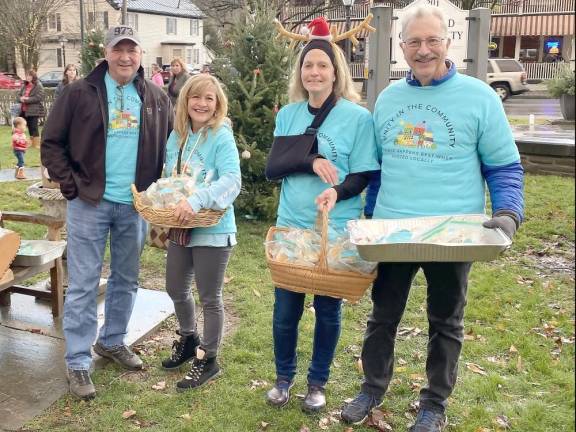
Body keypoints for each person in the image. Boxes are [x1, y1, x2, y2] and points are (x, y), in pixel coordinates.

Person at [341, 6, 524, 431]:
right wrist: (368, 221)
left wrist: (509, 212)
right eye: (414, 42)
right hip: (392, 232)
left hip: (453, 234)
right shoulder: (387, 99)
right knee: (382, 317)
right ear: (401, 46)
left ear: (447, 43)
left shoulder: (479, 97)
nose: (423, 50)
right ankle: (372, 387)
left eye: (432, 40)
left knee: (446, 321)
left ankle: (434, 404)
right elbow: (378, 168)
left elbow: (504, 167)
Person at [41, 25, 173, 401]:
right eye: (119, 50)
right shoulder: (78, 93)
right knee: (83, 283)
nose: (126, 57)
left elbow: (170, 145)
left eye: (132, 50)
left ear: (140, 55)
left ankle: (112, 340)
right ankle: (78, 360)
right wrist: (72, 186)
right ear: (106, 52)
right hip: (89, 204)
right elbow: (52, 143)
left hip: (135, 206)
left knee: (126, 279)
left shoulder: (154, 97)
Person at [265, 17, 380, 413]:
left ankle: (317, 383)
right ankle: (283, 378)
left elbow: (364, 172)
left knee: (328, 310)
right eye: (308, 65)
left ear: (336, 72)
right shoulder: (289, 115)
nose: (314, 71)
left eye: (323, 65)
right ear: (301, 71)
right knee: (285, 309)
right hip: (292, 227)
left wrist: (336, 189)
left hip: (336, 229)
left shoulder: (357, 118)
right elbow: (273, 168)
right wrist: (311, 160)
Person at [159, 74, 241, 390]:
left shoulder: (221, 135)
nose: (202, 104)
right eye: (196, 97)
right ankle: (188, 336)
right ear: (186, 101)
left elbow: (232, 180)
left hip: (213, 228)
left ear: (217, 103)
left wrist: (197, 198)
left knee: (209, 297)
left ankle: (208, 359)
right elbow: (170, 177)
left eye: (209, 98)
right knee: (175, 288)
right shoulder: (177, 136)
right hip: (181, 228)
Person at [17, 69, 45, 149]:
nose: (28, 77)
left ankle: (36, 143)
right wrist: (21, 98)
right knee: (27, 126)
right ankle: (31, 142)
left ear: (33, 76)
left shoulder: (38, 85)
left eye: (30, 75)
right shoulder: (24, 85)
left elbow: (39, 97)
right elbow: (18, 95)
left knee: (34, 126)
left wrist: (27, 99)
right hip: (24, 109)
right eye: (27, 75)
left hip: (34, 109)